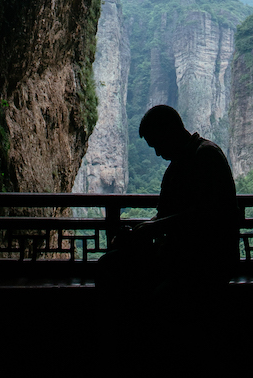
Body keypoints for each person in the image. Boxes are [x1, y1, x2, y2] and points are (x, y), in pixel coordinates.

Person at [95, 104, 238, 293]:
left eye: (157, 144)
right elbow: (168, 213)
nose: (157, 153)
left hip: (207, 260)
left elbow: (209, 213)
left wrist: (154, 227)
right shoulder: (179, 163)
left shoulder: (206, 154)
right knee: (109, 264)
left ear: (169, 132)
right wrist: (142, 230)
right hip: (177, 256)